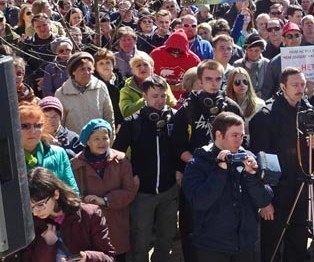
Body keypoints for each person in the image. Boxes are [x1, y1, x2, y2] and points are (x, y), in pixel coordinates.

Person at [250, 67, 314, 262]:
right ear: (283, 86)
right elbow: (259, 160)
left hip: (302, 186)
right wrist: (264, 200)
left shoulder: (307, 109)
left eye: (302, 84)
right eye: (295, 85)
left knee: (299, 241)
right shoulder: (266, 115)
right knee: (273, 244)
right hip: (276, 190)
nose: (301, 89)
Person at [171, 60, 242, 262]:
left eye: (218, 79)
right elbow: (176, 147)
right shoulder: (187, 109)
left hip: (226, 173)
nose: (214, 83)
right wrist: (198, 163)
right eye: (208, 79)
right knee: (192, 226)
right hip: (197, 176)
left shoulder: (231, 107)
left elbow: (241, 139)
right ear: (200, 81)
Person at [183, 112, 273, 262]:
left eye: (242, 136)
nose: (240, 141)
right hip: (212, 246)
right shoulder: (198, 164)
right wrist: (220, 170)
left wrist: (251, 175)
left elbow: (264, 199)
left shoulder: (248, 158)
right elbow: (199, 201)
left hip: (244, 244)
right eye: (235, 135)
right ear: (219, 134)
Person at [113, 76, 180, 262]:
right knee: (140, 238)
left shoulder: (174, 118)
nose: (159, 100)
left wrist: (179, 169)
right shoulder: (132, 122)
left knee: (166, 236)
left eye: (163, 96)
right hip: (142, 192)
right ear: (145, 96)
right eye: (154, 96)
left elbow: (183, 147)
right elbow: (116, 154)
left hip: (169, 189)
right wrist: (131, 176)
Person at [71, 119, 138, 262]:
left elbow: (129, 191)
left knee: (118, 256)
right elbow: (72, 195)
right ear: (87, 141)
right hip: (91, 226)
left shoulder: (121, 160)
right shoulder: (76, 165)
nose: (102, 142)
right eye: (96, 139)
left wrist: (105, 200)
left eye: (105, 138)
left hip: (117, 222)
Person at [21, 167, 115, 262]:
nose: (35, 212)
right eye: (30, 207)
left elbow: (109, 258)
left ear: (56, 194)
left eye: (40, 205)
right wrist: (48, 245)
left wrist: (87, 257)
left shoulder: (89, 214)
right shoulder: (31, 224)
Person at [20, 102, 79, 193]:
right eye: (25, 126)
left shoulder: (59, 154)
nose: (33, 131)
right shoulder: (7, 159)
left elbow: (72, 193)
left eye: (38, 125)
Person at [55, 52, 115, 139]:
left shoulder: (100, 87)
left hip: (98, 144)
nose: (86, 72)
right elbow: (59, 125)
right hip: (72, 146)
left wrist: (110, 140)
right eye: (82, 69)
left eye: (89, 69)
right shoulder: (61, 93)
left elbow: (109, 117)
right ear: (73, 72)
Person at [118, 51, 177, 118]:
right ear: (133, 70)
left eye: (145, 64)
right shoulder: (126, 90)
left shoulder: (162, 84)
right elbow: (126, 113)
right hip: (138, 125)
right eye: (138, 65)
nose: (142, 68)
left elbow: (172, 104)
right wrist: (147, 98)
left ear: (152, 68)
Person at [225, 67, 265, 140]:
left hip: (252, 143)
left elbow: (262, 131)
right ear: (231, 85)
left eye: (245, 81)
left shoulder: (259, 104)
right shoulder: (224, 104)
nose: (242, 85)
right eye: (237, 82)